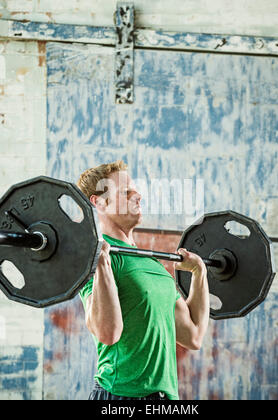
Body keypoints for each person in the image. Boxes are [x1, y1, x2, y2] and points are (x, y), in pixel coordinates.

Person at [77, 160, 210, 401]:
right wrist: (101, 265)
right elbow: (107, 333)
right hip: (119, 395)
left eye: (135, 189)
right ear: (98, 202)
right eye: (125, 192)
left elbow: (193, 336)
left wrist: (200, 274)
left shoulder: (154, 265)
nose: (137, 195)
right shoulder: (99, 262)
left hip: (164, 398)